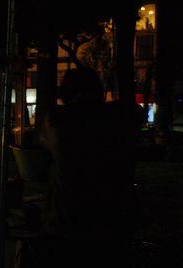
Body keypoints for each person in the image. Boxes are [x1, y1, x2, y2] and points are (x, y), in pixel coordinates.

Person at [39, 67, 142, 267]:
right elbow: (136, 113)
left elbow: (43, 146)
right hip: (113, 222)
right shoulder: (118, 118)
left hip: (67, 223)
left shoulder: (57, 120)